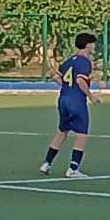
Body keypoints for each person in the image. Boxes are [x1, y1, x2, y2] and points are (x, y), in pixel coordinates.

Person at [40, 33, 98, 178]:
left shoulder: (69, 61)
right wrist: (91, 96)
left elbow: (55, 77)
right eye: (93, 44)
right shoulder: (85, 62)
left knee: (62, 132)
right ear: (88, 45)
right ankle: (73, 169)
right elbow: (80, 81)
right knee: (81, 134)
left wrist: (66, 86)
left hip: (63, 99)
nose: (94, 46)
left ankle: (46, 163)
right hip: (76, 101)